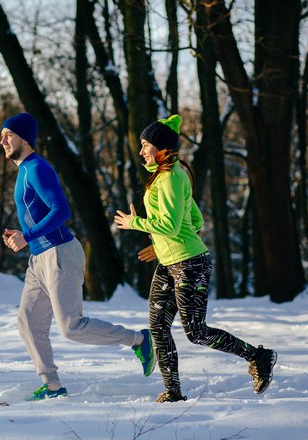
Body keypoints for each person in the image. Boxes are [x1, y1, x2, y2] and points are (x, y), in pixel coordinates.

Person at [113, 115, 277, 403]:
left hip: (190, 263)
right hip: (169, 262)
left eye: (145, 145)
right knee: (158, 327)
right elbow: (195, 218)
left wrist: (136, 223)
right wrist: (159, 243)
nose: (141, 151)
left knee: (196, 332)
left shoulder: (172, 178)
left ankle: (259, 356)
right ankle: (173, 392)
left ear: (161, 147)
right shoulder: (167, 175)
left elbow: (173, 226)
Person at [0, 112, 155, 401]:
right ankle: (52, 386)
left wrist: (28, 235)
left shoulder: (36, 169)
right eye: (2, 135)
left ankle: (139, 340)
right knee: (28, 321)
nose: (2, 140)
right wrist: (22, 234)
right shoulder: (24, 171)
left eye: (8, 134)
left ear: (24, 137)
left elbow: (61, 211)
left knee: (70, 327)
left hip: (59, 254)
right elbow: (40, 215)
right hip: (39, 258)